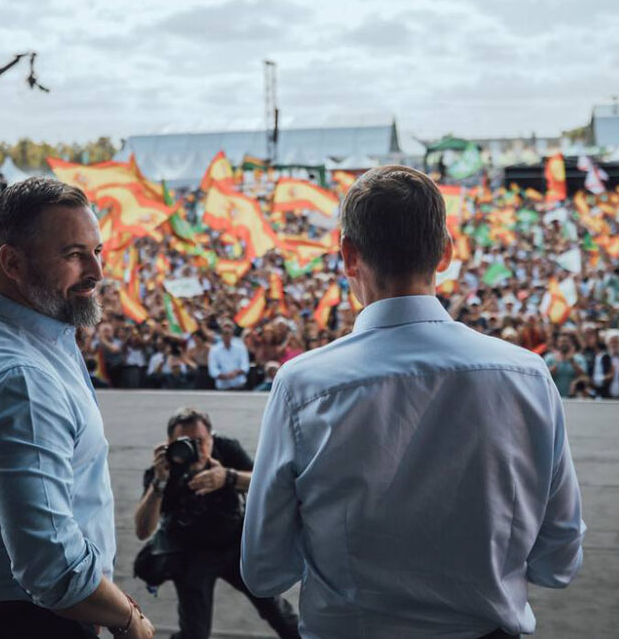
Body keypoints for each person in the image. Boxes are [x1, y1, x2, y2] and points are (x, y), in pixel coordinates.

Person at [242, 165, 584, 637]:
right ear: (445, 252)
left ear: (348, 256)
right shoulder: (526, 376)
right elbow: (558, 561)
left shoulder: (302, 386)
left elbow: (264, 569)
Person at [0, 178, 153, 639]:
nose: (97, 271)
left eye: (97, 251)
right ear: (13, 262)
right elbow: (52, 566)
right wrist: (129, 619)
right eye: (74, 255)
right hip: (24, 623)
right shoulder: (22, 379)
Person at [133, 408, 300, 639]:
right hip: (192, 554)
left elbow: (269, 483)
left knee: (278, 611)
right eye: (185, 443)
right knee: (195, 634)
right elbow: (142, 531)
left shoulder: (225, 449)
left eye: (200, 442)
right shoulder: (164, 469)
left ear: (212, 438)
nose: (195, 450)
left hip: (236, 543)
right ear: (169, 443)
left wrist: (228, 477)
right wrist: (159, 482)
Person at [208, 321, 249, 390]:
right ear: (221, 334)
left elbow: (245, 366)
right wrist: (224, 376)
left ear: (232, 333)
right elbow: (213, 370)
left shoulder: (240, 347)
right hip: (222, 387)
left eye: (228, 332)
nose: (226, 335)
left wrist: (236, 373)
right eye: (224, 333)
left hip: (239, 386)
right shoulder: (214, 350)